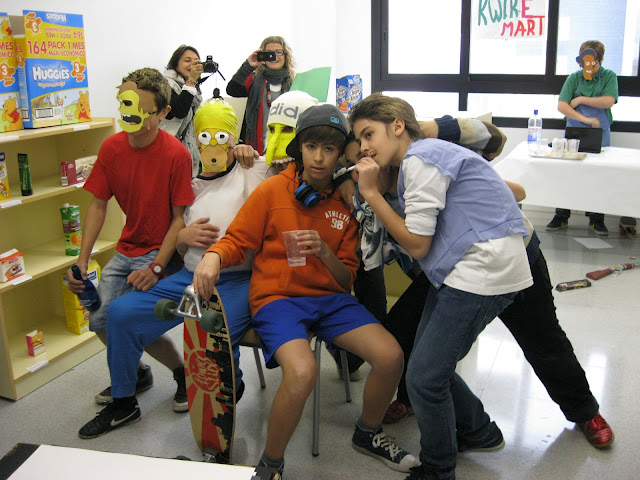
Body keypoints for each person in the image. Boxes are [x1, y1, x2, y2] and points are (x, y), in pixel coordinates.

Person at [193, 104, 419, 475]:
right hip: (277, 299)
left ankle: (368, 433)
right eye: (311, 146)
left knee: (391, 356)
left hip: (330, 300)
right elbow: (236, 239)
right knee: (302, 372)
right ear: (299, 147)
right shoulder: (271, 190)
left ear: (340, 153)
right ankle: (270, 464)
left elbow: (346, 280)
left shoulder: (348, 201)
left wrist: (325, 252)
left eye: (329, 149)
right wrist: (213, 258)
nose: (318, 157)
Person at [350, 93, 533, 480]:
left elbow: (417, 244)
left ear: (397, 126)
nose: (364, 147)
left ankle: (437, 469)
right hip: (465, 267)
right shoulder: (420, 159)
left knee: (423, 377)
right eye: (359, 139)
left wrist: (371, 194)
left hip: (482, 269)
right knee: (428, 362)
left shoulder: (421, 158)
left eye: (369, 134)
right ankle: (477, 430)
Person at [76, 100, 266, 439]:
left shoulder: (251, 170)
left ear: (232, 137)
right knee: (119, 313)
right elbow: (178, 238)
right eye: (205, 136)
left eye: (221, 136)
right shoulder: (192, 184)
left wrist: (249, 151)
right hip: (187, 278)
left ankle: (226, 391)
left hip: (234, 280)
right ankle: (124, 401)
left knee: (214, 331)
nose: (213, 145)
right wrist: (182, 238)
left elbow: (286, 166)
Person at [66, 68, 195, 416]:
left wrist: (156, 267)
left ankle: (181, 374)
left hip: (161, 254)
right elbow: (98, 204)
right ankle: (136, 372)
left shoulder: (176, 155)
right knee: (99, 320)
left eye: (139, 108)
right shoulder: (112, 148)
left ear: (162, 113)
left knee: (131, 322)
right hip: (127, 249)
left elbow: (179, 220)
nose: (130, 114)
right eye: (124, 104)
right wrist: (82, 259)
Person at [546, 40, 619, 236]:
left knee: (599, 176)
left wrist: (580, 99)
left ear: (600, 60)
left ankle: (596, 219)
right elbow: (562, 105)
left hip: (599, 133)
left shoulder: (609, 76)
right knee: (568, 174)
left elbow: (608, 100)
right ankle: (561, 215)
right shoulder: (574, 78)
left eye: (592, 63)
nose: (587, 67)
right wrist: (585, 119)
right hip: (575, 132)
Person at [226, 35, 295, 155]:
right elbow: (232, 90)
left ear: (286, 55)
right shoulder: (254, 79)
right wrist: (248, 65)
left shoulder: (296, 82)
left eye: (278, 52)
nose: (274, 56)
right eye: (269, 53)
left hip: (287, 147)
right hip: (257, 148)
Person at [160, 45, 205, 177]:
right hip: (168, 149)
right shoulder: (166, 84)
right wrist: (191, 81)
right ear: (175, 64)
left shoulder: (190, 86)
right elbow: (179, 111)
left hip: (186, 148)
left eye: (196, 61)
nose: (192, 64)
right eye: (187, 60)